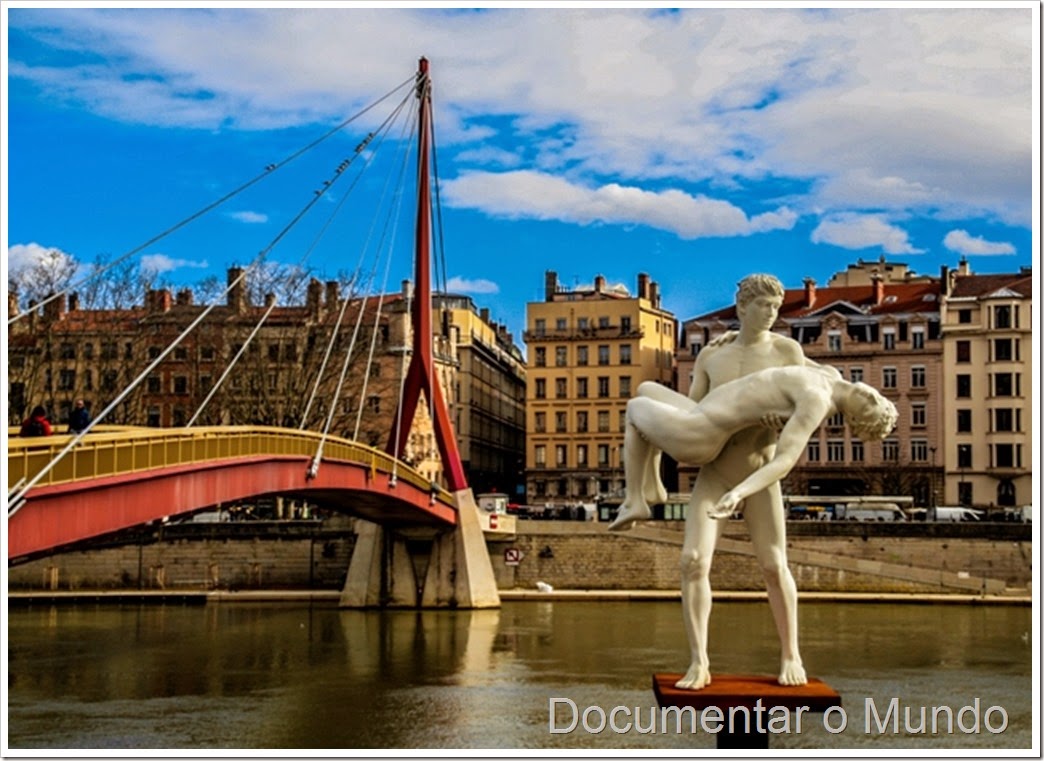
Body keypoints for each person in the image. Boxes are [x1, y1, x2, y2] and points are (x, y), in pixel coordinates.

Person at [608, 274, 811, 691]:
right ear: (742, 308)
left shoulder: (787, 350)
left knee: (774, 565)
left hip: (757, 472)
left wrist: (782, 419)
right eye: (763, 306)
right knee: (692, 562)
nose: (771, 314)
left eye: (776, 307)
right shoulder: (710, 357)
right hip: (715, 471)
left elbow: (809, 404)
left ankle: (791, 654)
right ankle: (699, 660)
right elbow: (694, 415)